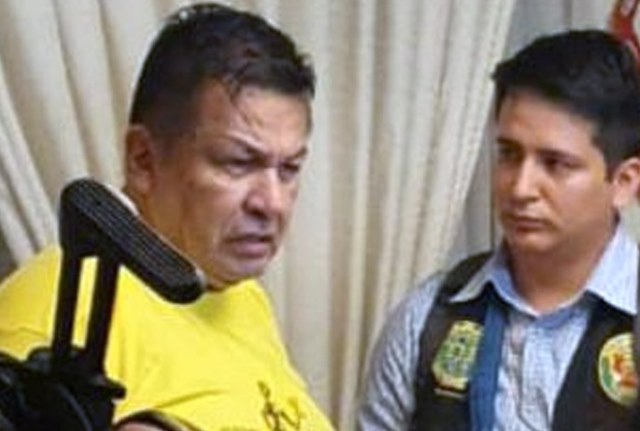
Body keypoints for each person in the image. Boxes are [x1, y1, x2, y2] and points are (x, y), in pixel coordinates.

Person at [0, 3, 334, 430]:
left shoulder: (243, 296)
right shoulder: (54, 315)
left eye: (289, 169)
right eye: (237, 162)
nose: (273, 203)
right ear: (143, 159)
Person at [357, 29, 640, 430]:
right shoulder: (424, 319)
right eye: (509, 154)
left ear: (625, 182)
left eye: (555, 164)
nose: (521, 188)